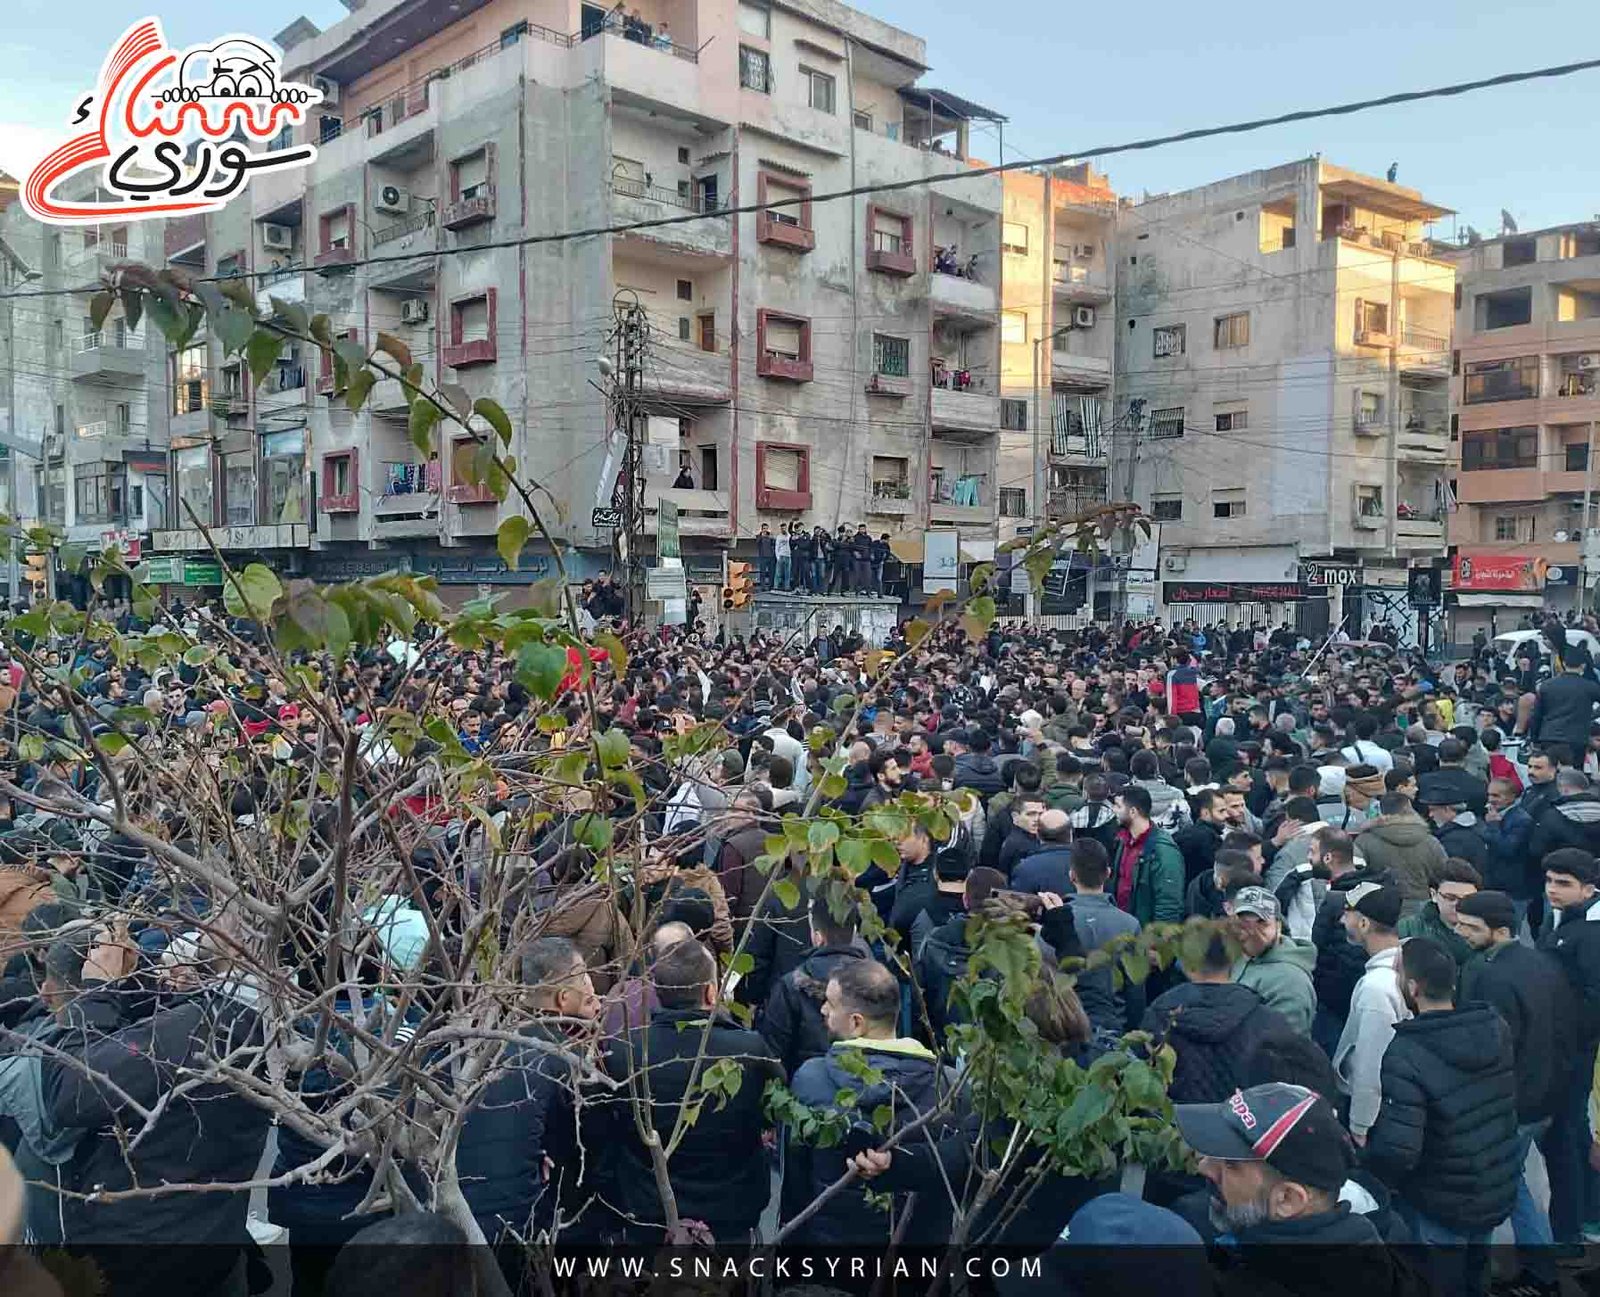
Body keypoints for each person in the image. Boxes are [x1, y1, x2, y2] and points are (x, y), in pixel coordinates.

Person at [1364, 936, 1519, 1297]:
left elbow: (1399, 1148)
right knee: (1475, 1276)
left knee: (1437, 1282)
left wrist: (1372, 1172)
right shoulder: (1494, 1028)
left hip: (1440, 1201)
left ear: (1413, 987)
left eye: (1399, 973)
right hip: (1491, 1184)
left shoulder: (1406, 1052)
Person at [601, 934, 783, 1241]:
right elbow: (773, 1114)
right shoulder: (749, 1049)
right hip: (729, 1211)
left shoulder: (624, 1053)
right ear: (712, 992)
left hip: (648, 1210)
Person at [783, 959, 955, 1244]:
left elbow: (796, 1182)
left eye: (830, 1003)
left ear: (856, 1023)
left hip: (829, 1247)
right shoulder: (946, 1086)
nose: (823, 1010)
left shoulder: (810, 1079)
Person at [1455, 888, 1569, 1289]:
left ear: (1500, 930)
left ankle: (1533, 1273)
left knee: (1500, 1189)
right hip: (1543, 1097)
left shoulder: (1490, 977)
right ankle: (1540, 1269)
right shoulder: (1542, 962)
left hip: (1511, 1105)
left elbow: (1489, 1051)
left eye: (1470, 927)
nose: (1461, 933)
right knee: (1514, 1183)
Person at [1141, 929, 1294, 1104]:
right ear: (1234, 961)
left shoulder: (1159, 1015)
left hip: (1171, 1126)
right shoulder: (1268, 1020)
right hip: (1243, 1126)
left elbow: (1141, 1084)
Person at [1534, 846, 1600, 1243]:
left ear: (1588, 889)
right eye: (1548, 881)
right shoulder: (1564, 921)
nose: (1552, 890)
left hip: (1576, 1053)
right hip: (1564, 1048)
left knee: (1571, 1139)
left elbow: (1594, 998)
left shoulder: (1590, 935)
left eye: (1563, 883)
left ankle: (1574, 1226)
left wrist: (1569, 1038)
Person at [1331, 882, 1408, 1146]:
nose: (1342, 919)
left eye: (1347, 912)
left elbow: (1371, 1063)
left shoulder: (1376, 989)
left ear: (1364, 923)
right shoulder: (1408, 962)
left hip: (1377, 1116)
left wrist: (1360, 1124)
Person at [761, 897, 869, 1075]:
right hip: (863, 1084)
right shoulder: (876, 982)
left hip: (803, 1089)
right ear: (855, 930)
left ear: (817, 937)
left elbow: (773, 1055)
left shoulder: (790, 986)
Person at [1224, 886, 1316, 1037]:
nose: (1252, 931)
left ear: (1278, 926)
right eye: (1243, 923)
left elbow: (1283, 1046)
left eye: (1262, 923)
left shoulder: (1290, 981)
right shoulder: (1230, 957)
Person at [1108, 784, 1184, 925]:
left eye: (1118, 806)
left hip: (1145, 935)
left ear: (1132, 811)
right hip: (1123, 928)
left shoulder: (1163, 851)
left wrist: (1157, 940)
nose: (1114, 810)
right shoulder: (1122, 841)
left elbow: (1168, 903)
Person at [1353, 791, 1446, 902]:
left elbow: (1356, 876)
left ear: (1381, 811)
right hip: (1420, 906)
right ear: (1408, 808)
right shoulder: (1430, 841)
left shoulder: (1364, 841)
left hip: (1379, 907)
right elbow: (1444, 875)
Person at [1397, 857, 1478, 967]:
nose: (1458, 904)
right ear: (1433, 894)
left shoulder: (1487, 931)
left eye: (1467, 899)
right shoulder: (1408, 928)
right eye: (1450, 897)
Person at [1529, 637, 1600, 752]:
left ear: (1564, 664)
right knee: (1574, 770)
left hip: (1549, 737)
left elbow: (1536, 715)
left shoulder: (1546, 686)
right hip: (1577, 739)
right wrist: (1592, 716)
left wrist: (1534, 739)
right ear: (1583, 666)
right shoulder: (1590, 687)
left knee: (1551, 769)